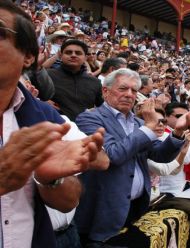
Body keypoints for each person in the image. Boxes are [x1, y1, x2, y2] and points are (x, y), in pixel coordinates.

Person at [0, 1, 109, 247]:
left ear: (27, 56)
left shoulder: (43, 116)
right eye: (67, 52)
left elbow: (69, 200)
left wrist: (51, 179)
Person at [75, 68, 186, 246]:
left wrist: (178, 133)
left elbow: (160, 155)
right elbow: (113, 155)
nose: (129, 94)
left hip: (136, 207)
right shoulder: (89, 119)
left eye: (134, 91)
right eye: (123, 89)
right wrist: (148, 128)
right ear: (105, 91)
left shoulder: (139, 123)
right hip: (104, 212)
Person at [47, 39, 104, 121]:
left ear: (85, 58)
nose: (73, 55)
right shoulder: (47, 75)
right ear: (61, 56)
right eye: (68, 52)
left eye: (78, 53)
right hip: (54, 127)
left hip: (86, 129)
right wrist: (41, 101)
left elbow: (102, 108)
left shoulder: (95, 82)